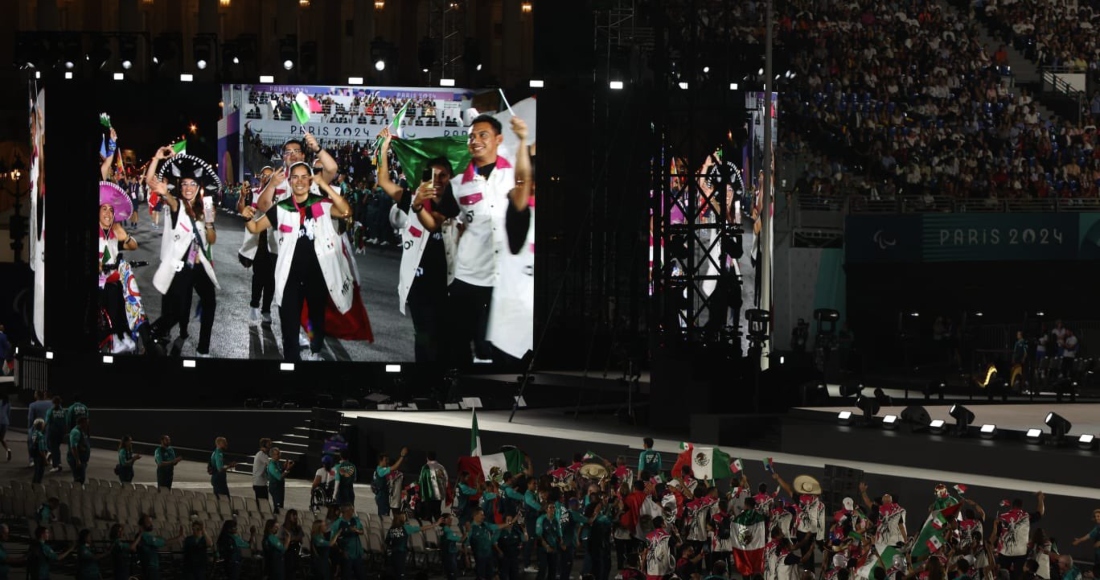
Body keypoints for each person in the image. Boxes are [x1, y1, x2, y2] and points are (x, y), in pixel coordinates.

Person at [435, 114, 533, 367]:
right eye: (471, 137)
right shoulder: (457, 183)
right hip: (469, 276)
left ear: (498, 139)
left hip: (505, 278)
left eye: (483, 135)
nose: (475, 140)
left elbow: (524, 183)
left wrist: (523, 140)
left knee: (498, 348)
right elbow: (439, 219)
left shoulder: (513, 173)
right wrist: (419, 203)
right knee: (458, 344)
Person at [242, 163, 353, 361]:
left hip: (317, 275)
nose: (299, 181)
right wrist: (247, 217)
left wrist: (324, 186)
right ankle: (291, 361)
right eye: (295, 177)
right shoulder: (281, 208)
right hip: (290, 276)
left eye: (304, 177)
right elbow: (255, 228)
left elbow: (346, 211)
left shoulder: (322, 204)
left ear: (310, 181)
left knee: (316, 318)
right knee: (289, 325)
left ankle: (316, 351)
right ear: (290, 181)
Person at [378, 128, 457, 362]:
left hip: (448, 286)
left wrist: (418, 206)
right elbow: (383, 181)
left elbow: (433, 225)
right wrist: (384, 148)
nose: (438, 181)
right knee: (423, 336)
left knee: (444, 340)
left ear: (451, 178)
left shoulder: (455, 205)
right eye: (433, 175)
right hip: (418, 285)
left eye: (443, 176)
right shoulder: (411, 197)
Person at [147, 149, 222, 357]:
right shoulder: (177, 205)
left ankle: (203, 349)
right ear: (180, 187)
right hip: (181, 265)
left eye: (192, 184)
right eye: (185, 184)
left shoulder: (207, 206)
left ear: (199, 187)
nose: (188, 188)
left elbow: (211, 239)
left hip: (199, 263)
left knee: (210, 302)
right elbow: (154, 184)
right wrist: (156, 160)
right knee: (178, 309)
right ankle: (156, 332)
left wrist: (209, 223)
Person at [98, 181, 139, 354]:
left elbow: (134, 246)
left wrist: (126, 236)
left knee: (128, 295)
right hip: (99, 283)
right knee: (113, 293)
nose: (108, 213)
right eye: (104, 209)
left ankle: (124, 334)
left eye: (111, 210)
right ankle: (114, 337)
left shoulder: (114, 234)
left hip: (113, 279)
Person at [238, 168, 278, 325]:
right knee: (259, 276)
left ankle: (266, 310)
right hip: (258, 242)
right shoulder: (253, 193)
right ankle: (254, 305)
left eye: (270, 176)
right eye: (264, 176)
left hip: (274, 243)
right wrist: (242, 197)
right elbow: (241, 209)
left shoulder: (279, 196)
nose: (266, 178)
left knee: (271, 280)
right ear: (260, 177)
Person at [132, 514, 183, 580]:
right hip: (151, 568)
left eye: (151, 522)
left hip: (147, 567)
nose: (151, 524)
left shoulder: (142, 536)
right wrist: (178, 538)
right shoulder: (145, 536)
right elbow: (163, 542)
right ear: (142, 525)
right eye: (148, 522)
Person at [374, 447, 409, 517]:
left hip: (382, 496)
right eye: (385, 460)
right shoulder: (381, 471)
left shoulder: (377, 469)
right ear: (380, 460)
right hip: (383, 497)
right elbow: (394, 467)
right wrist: (402, 456)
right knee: (384, 517)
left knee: (383, 516)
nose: (387, 462)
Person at [266, 447, 295, 515]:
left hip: (279, 488)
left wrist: (284, 468)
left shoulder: (277, 463)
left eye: (279, 453)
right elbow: (279, 477)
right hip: (275, 488)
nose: (279, 455)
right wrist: (287, 469)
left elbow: (280, 472)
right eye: (277, 454)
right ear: (272, 455)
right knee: (278, 508)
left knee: (280, 505)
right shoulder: (272, 465)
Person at [26, 391, 51, 467]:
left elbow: (30, 418)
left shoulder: (33, 405)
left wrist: (29, 428)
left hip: (37, 426)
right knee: (46, 443)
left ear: (37, 395)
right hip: (47, 426)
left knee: (32, 443)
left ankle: (32, 460)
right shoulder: (50, 403)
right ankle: (47, 456)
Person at [45, 396, 66, 473]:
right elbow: (65, 422)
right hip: (60, 433)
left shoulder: (50, 411)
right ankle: (59, 463)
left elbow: (47, 421)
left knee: (53, 449)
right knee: (57, 448)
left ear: (53, 403)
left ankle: (55, 465)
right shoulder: (63, 411)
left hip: (52, 432)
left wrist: (42, 429)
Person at [68, 416, 91, 484]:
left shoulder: (82, 431)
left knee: (81, 479)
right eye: (86, 423)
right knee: (79, 480)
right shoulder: (76, 432)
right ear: (81, 423)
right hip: (77, 460)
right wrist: (77, 460)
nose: (87, 425)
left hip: (82, 459)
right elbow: (73, 447)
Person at [253, 438, 272, 509]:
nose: (270, 446)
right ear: (264, 445)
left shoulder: (259, 454)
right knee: (263, 505)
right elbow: (270, 465)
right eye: (269, 444)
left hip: (258, 482)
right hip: (260, 483)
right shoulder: (262, 455)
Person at [0, 394, 10, 462]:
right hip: (5, 422)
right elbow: (8, 413)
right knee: (1, 438)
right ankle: (7, 449)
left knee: (1, 439)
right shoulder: (8, 404)